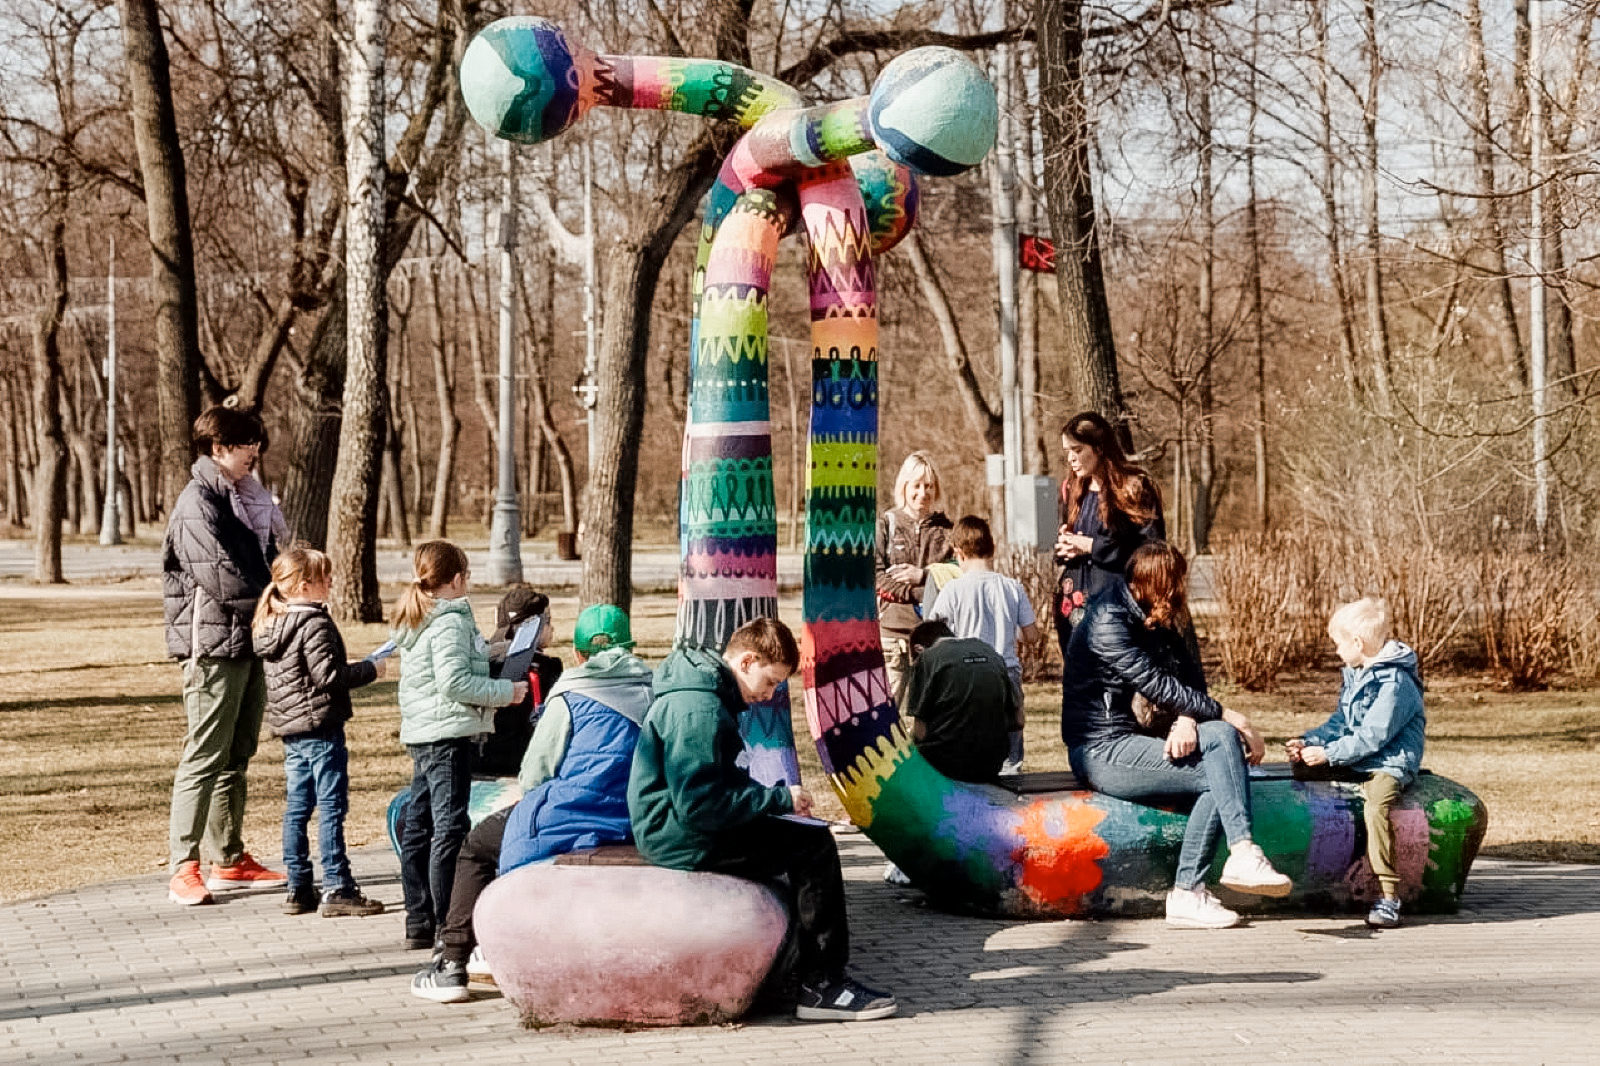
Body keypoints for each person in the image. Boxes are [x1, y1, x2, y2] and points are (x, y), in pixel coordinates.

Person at [628, 618, 898, 1022]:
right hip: (678, 833)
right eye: (769, 682)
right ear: (749, 660)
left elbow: (712, 783)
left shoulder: (705, 696)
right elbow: (699, 804)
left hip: (679, 823)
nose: (767, 695)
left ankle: (801, 967)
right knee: (814, 847)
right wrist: (774, 799)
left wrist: (773, 804)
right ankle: (822, 986)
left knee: (800, 836)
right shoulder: (698, 709)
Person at [411, 604, 653, 1003]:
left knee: (476, 846)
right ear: (632, 646)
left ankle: (454, 961)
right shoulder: (654, 687)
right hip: (635, 818)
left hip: (570, 817)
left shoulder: (571, 692)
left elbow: (536, 773)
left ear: (578, 655)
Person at [1062, 541, 1291, 929]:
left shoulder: (1158, 611)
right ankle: (1190, 890)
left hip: (1138, 740)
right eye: (1174, 586)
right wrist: (1237, 718)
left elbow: (1190, 681)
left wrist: (1189, 717)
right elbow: (1154, 683)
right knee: (1223, 772)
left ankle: (1239, 855)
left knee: (1218, 738)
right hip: (1101, 749)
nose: (1181, 593)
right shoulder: (1107, 620)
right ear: (1151, 585)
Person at [162, 405, 287, 905]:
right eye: (245, 443)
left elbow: (266, 560)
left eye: (257, 442)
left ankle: (228, 860)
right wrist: (278, 606)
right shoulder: (198, 503)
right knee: (204, 754)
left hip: (247, 640)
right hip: (212, 647)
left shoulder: (246, 500)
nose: (255, 452)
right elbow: (223, 577)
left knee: (237, 755)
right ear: (218, 448)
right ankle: (183, 865)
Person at [392, 541, 528, 951]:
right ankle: (443, 921)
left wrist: (496, 651)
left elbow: (457, 662)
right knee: (448, 829)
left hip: (424, 732)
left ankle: (417, 916)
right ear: (455, 579)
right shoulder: (449, 621)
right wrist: (507, 691)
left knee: (418, 824)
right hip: (446, 735)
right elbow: (454, 682)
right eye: (466, 575)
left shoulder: (422, 615)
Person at [252, 546, 386, 918]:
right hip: (320, 726)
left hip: (291, 728)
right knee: (331, 807)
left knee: (297, 807)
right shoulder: (314, 623)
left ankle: (298, 885)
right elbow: (327, 676)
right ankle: (338, 885)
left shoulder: (272, 623)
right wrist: (371, 669)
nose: (331, 582)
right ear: (306, 585)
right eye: (325, 578)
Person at [1287, 596, 1425, 929]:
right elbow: (1341, 723)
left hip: (1389, 762)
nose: (1336, 651)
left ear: (1358, 643)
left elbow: (1373, 736)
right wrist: (1311, 742)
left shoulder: (1396, 684)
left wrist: (1330, 754)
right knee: (1301, 772)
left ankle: (1389, 895)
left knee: (1376, 805)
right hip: (1361, 756)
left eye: (1338, 644)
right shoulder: (1357, 673)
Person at [1053, 412, 1165, 677]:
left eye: (1077, 450)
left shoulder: (1135, 488)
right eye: (1067, 451)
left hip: (1118, 609)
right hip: (1074, 609)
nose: (1070, 458)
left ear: (1100, 448)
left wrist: (1092, 546)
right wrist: (1065, 549)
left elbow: (1153, 552)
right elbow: (1064, 543)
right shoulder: (1071, 490)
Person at [926, 514, 1037, 773]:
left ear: (959, 553)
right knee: (1010, 744)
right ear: (992, 548)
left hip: (968, 675)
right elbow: (1031, 635)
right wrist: (1011, 631)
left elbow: (932, 636)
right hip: (1006, 672)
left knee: (968, 740)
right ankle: (1011, 786)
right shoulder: (1012, 587)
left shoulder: (952, 590)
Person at [875, 451, 953, 698]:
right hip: (892, 637)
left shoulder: (948, 530)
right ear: (904, 486)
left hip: (935, 636)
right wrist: (919, 593)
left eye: (929, 486)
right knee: (888, 716)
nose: (923, 493)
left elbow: (956, 577)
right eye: (917, 485)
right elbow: (876, 577)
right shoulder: (886, 524)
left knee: (933, 718)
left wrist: (921, 576)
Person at [901, 619, 1016, 784]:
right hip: (991, 763)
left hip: (945, 764)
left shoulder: (927, 658)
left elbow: (921, 733)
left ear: (918, 649)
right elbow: (1018, 720)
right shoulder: (990, 651)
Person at [474, 585, 563, 777]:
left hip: (476, 760)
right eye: (547, 621)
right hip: (521, 765)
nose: (552, 628)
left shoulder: (482, 662)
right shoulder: (546, 669)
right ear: (533, 627)